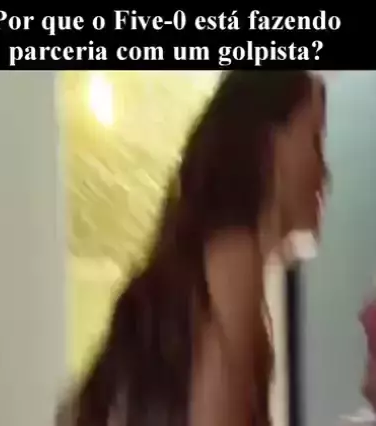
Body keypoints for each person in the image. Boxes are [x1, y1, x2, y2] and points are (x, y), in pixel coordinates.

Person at [68, 71, 327, 426]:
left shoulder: (201, 260)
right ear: (270, 143)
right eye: (314, 140)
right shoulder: (234, 264)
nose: (324, 171)